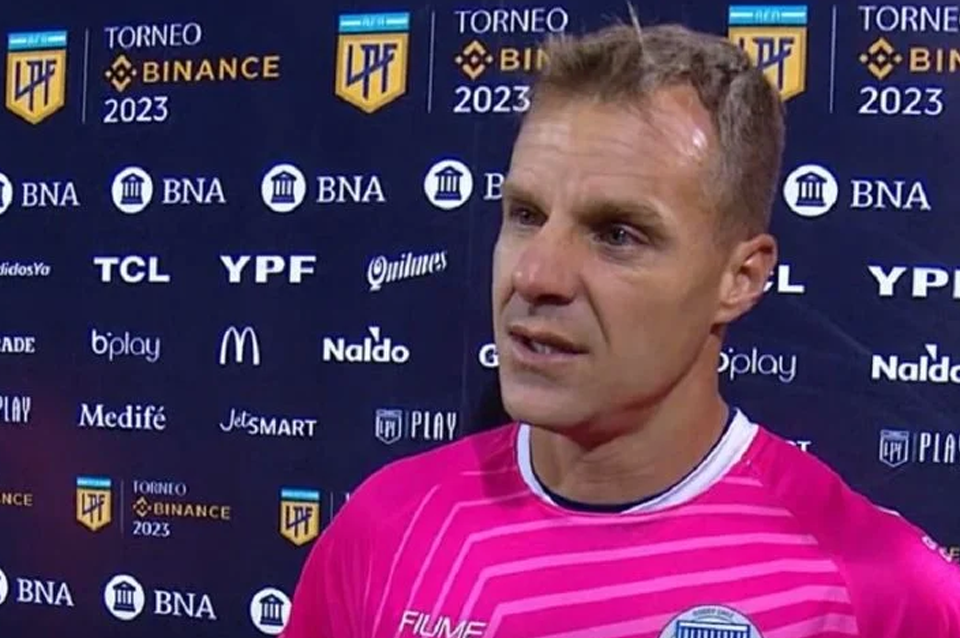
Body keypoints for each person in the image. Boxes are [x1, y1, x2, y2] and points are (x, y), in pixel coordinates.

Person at [281, 18, 960, 638]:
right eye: (525, 215)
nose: (536, 275)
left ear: (741, 278)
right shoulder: (387, 528)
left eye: (617, 234)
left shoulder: (880, 595)